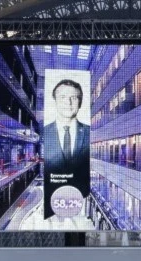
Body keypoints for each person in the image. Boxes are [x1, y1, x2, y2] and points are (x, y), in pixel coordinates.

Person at [43, 78, 91, 219]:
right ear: (55, 101)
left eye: (74, 97)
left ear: (80, 102)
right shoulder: (45, 132)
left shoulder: (90, 133)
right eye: (62, 97)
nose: (68, 102)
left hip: (80, 201)